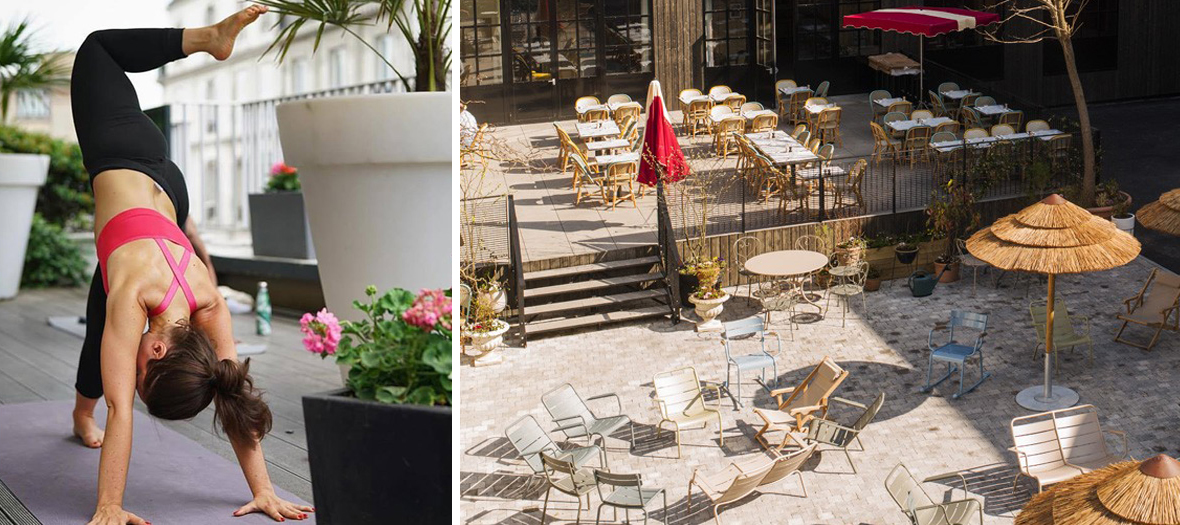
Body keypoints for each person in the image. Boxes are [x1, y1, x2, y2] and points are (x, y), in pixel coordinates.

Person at [69, 6, 312, 524]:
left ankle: (76, 415)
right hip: (126, 157)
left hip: (169, 193)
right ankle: (209, 37)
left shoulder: (208, 301)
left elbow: (234, 395)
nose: (132, 380)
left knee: (100, 324)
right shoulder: (136, 299)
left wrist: (266, 492)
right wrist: (108, 505)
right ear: (157, 349)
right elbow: (124, 411)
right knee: (96, 49)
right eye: (142, 375)